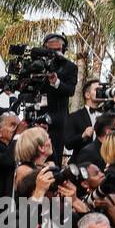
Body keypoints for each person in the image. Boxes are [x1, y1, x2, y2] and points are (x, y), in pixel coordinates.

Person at [37, 33, 78, 162]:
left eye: (57, 50)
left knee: (53, 159)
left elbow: (70, 90)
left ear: (63, 50)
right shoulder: (37, 63)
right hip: (36, 114)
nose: (54, 53)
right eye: (50, 50)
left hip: (57, 121)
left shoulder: (70, 67)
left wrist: (56, 82)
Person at [64, 79, 115, 157]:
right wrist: (82, 136)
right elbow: (68, 144)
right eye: (98, 89)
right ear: (87, 95)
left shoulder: (108, 114)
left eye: (103, 89)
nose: (102, 91)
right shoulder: (75, 116)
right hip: (82, 161)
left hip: (104, 161)